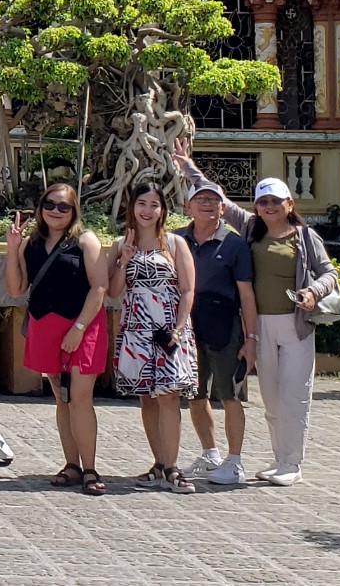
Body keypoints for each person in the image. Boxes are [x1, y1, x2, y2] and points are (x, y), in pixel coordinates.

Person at [3, 182, 110, 495]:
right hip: (45, 324)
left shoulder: (84, 240)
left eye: (64, 206)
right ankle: (71, 464)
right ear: (41, 207)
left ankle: (90, 468)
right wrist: (12, 249)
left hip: (82, 325)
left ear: (73, 209)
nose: (56, 211)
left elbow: (99, 287)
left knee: (80, 396)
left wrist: (78, 328)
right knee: (61, 398)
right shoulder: (31, 243)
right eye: (50, 204)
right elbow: (15, 288)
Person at [247, 176, 340, 486]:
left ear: (290, 204)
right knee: (270, 397)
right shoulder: (251, 231)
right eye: (263, 201)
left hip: (295, 324)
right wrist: (187, 167)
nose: (270, 206)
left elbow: (329, 272)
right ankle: (278, 458)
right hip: (261, 324)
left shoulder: (303, 236)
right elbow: (220, 201)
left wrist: (313, 291)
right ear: (257, 207)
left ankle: (292, 462)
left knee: (294, 395)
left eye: (276, 201)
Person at [111, 180, 199, 493]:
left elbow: (187, 289)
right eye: (141, 203)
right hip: (136, 327)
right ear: (132, 207)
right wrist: (124, 260)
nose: (147, 211)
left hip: (168, 328)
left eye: (154, 205)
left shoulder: (175, 244)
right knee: (146, 395)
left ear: (162, 210)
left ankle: (173, 466)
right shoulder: (121, 244)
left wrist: (178, 327)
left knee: (169, 394)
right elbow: (113, 290)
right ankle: (159, 462)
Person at [175, 178, 256, 487]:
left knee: (229, 395)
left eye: (214, 200)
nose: (207, 204)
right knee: (195, 395)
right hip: (188, 328)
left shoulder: (234, 243)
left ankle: (235, 461)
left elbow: (247, 295)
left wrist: (251, 339)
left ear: (223, 207)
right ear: (187, 207)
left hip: (225, 327)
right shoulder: (176, 239)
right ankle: (210, 454)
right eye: (200, 199)